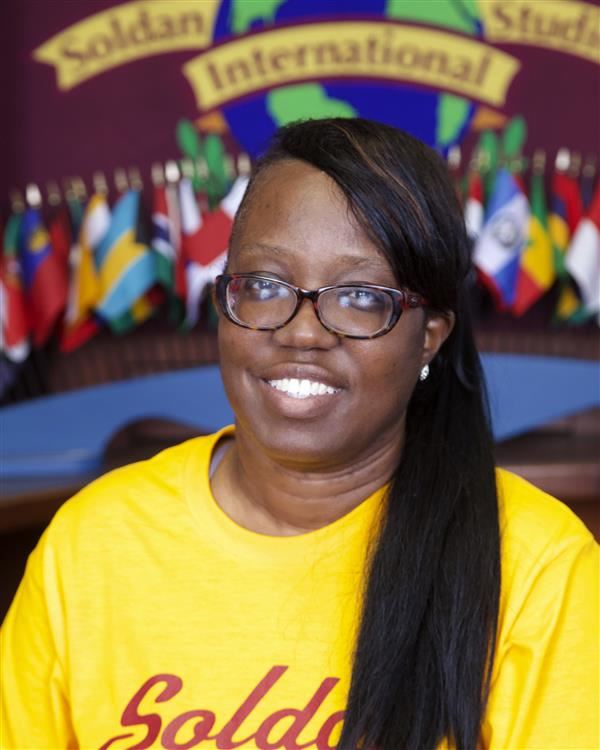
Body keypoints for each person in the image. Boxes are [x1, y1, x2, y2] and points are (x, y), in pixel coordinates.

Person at [1, 118, 597, 750]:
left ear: (429, 336)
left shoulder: (539, 570)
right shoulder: (93, 544)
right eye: (264, 285)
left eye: (360, 296)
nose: (303, 332)